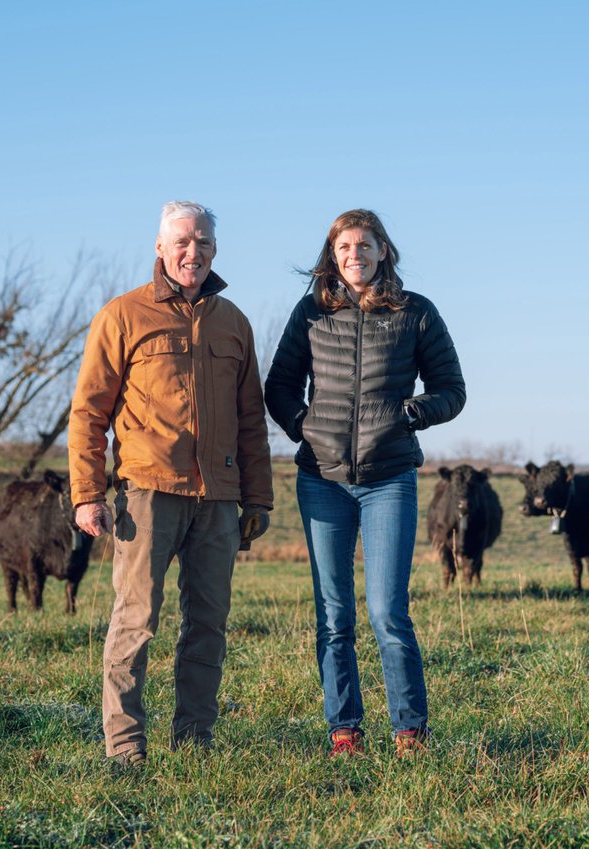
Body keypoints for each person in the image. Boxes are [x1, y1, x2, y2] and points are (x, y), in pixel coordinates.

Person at [68, 200, 273, 768]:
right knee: (136, 622)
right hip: (147, 493)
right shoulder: (123, 315)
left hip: (218, 499)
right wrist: (87, 493)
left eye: (203, 242)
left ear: (215, 250)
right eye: (182, 241)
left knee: (208, 625)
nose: (193, 251)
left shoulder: (234, 322)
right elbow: (88, 412)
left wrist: (257, 497)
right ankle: (126, 748)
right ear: (160, 248)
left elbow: (251, 418)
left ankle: (195, 743)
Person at [264, 209, 466, 757]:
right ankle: (345, 730)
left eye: (365, 245)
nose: (354, 254)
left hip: (389, 478)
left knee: (386, 612)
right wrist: (305, 427)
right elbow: (279, 385)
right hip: (321, 480)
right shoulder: (311, 312)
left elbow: (452, 389)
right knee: (333, 615)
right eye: (344, 246)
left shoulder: (415, 312)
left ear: (383, 251)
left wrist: (410, 413)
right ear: (333, 255)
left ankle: (410, 731)